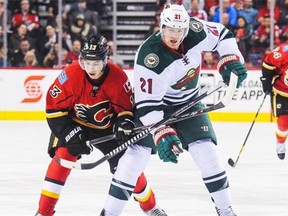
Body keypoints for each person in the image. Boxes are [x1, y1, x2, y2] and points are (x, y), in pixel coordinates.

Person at [99, 4, 247, 216]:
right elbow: (147, 104)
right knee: (135, 157)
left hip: (190, 102)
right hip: (156, 108)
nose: (175, 35)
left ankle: (226, 210)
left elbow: (224, 35)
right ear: (162, 26)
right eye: (170, 29)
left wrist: (230, 59)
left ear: (187, 28)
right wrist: (161, 132)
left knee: (208, 154)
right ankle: (110, 212)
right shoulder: (149, 57)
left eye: (180, 30)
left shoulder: (196, 31)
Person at [35, 34, 167, 216]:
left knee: (128, 168)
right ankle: (43, 212)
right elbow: (53, 110)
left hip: (107, 129)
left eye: (96, 63)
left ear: (105, 60)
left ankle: (150, 207)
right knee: (62, 158)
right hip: (75, 125)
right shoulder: (70, 75)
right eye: (87, 62)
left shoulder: (118, 77)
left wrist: (124, 124)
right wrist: (67, 133)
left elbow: (126, 111)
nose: (91, 68)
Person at [260, 40, 288, 160]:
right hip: (282, 92)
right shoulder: (282, 51)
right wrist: (266, 81)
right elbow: (268, 65)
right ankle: (280, 143)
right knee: (283, 122)